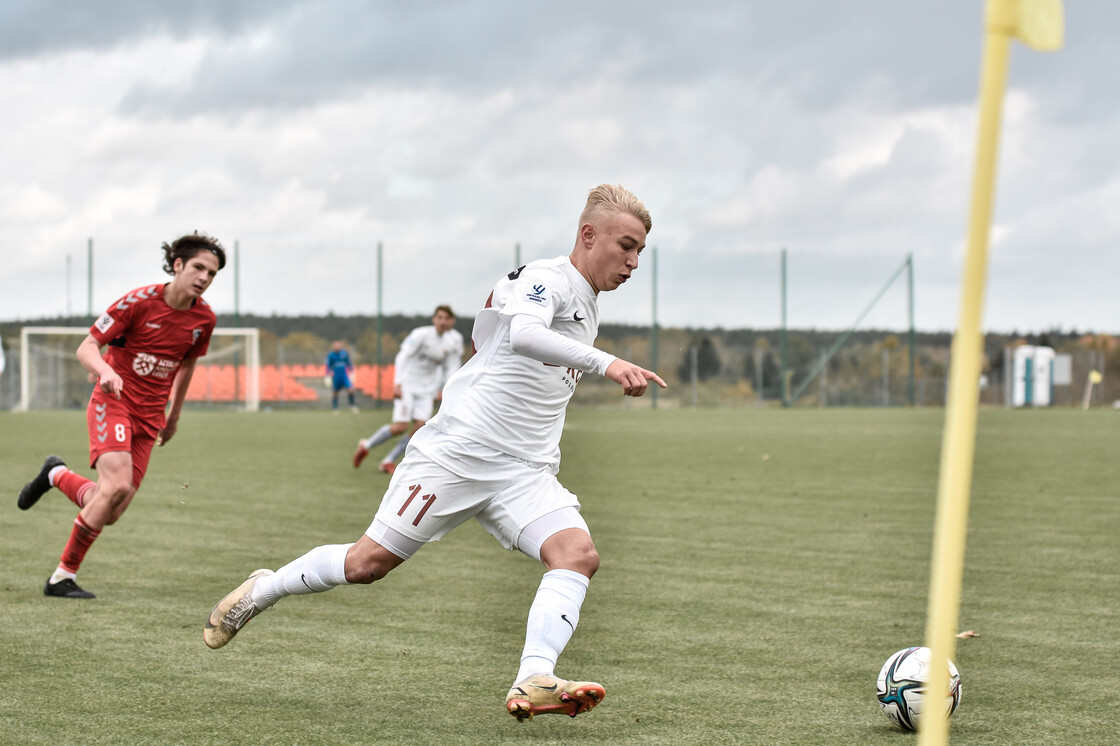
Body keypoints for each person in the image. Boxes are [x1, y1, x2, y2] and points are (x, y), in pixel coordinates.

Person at [203, 184, 665, 722]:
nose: (632, 263)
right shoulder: (546, 280)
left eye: (640, 253)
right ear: (588, 235)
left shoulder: (585, 302)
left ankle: (534, 678)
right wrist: (606, 363)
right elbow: (524, 336)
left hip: (524, 472)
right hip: (458, 456)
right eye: (625, 246)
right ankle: (263, 589)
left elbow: (487, 336)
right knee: (367, 564)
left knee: (577, 556)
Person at [17, 232, 225, 599]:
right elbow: (87, 348)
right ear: (178, 265)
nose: (205, 278)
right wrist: (106, 371)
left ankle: (56, 474)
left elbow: (186, 366)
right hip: (113, 402)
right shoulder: (139, 302)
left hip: (150, 418)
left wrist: (173, 415)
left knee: (109, 507)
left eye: (212, 273)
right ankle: (61, 578)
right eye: (198, 267)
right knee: (116, 488)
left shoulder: (203, 318)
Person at [353, 305, 464, 474]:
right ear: (434, 319)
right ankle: (366, 445)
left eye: (446, 318)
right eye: (439, 317)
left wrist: (446, 389)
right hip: (408, 386)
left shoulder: (454, 340)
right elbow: (402, 356)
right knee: (401, 427)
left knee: (419, 429)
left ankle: (388, 460)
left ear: (452, 321)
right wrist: (397, 384)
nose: (442, 321)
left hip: (427, 391)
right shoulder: (421, 334)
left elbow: (451, 368)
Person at [326, 340, 359, 413]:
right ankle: (335, 408)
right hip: (336, 376)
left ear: (340, 346)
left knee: (351, 389)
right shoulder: (331, 355)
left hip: (344, 376)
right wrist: (327, 375)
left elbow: (349, 363)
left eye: (338, 346)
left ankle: (352, 406)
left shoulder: (344, 353)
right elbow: (328, 366)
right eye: (335, 346)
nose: (336, 347)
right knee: (335, 392)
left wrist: (352, 372)